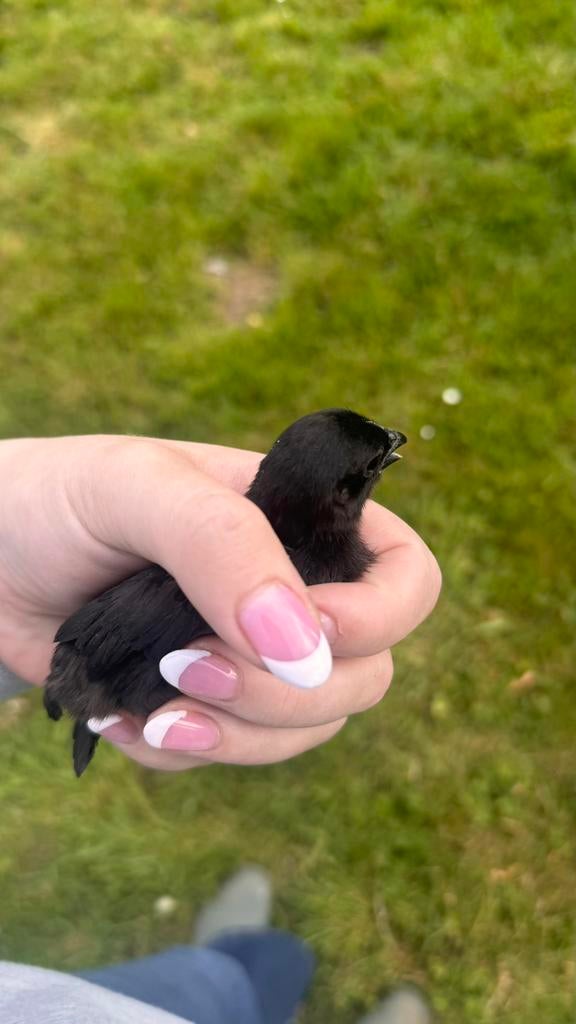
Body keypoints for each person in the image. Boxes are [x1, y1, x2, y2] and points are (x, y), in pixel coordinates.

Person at [0, 433, 441, 1022]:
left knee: (214, 988)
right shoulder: (322, 565)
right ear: (343, 495)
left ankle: (225, 970)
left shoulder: (284, 545)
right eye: (371, 464)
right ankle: (234, 974)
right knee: (249, 979)